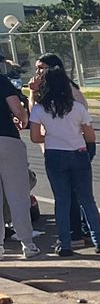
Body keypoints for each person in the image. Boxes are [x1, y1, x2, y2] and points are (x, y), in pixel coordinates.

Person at [28, 66, 100, 256]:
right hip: (78, 153)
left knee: (62, 201)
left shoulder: (40, 109)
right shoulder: (77, 108)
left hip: (55, 155)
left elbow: (34, 137)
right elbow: (90, 137)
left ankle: (65, 245)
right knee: (87, 200)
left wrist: (50, 137)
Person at [32, 54, 94, 247]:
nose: (37, 72)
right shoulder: (42, 92)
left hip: (74, 147)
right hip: (56, 148)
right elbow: (34, 116)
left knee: (74, 196)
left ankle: (77, 235)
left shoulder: (67, 90)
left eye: (41, 68)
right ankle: (82, 235)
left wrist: (53, 137)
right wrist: (33, 92)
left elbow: (83, 120)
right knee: (71, 195)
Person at [0, 66, 41, 257]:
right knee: (18, 197)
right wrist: (22, 120)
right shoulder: (2, 81)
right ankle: (28, 244)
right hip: (7, 139)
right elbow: (17, 109)